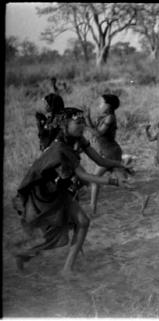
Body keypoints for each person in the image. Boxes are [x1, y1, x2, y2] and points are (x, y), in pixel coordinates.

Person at [10, 107, 134, 276]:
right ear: (64, 125)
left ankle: (67, 269)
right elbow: (84, 175)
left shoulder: (79, 139)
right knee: (55, 235)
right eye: (78, 122)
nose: (82, 125)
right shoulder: (61, 148)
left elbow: (100, 160)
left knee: (82, 222)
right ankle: (23, 254)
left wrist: (120, 164)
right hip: (45, 196)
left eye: (83, 121)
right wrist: (115, 182)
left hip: (60, 190)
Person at [84, 94, 131, 216]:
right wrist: (87, 118)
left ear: (108, 106)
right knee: (122, 180)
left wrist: (84, 125)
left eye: (101, 103)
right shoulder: (104, 117)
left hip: (109, 153)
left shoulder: (109, 118)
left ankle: (92, 209)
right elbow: (94, 129)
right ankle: (142, 197)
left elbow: (98, 133)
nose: (99, 105)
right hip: (110, 152)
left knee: (95, 179)